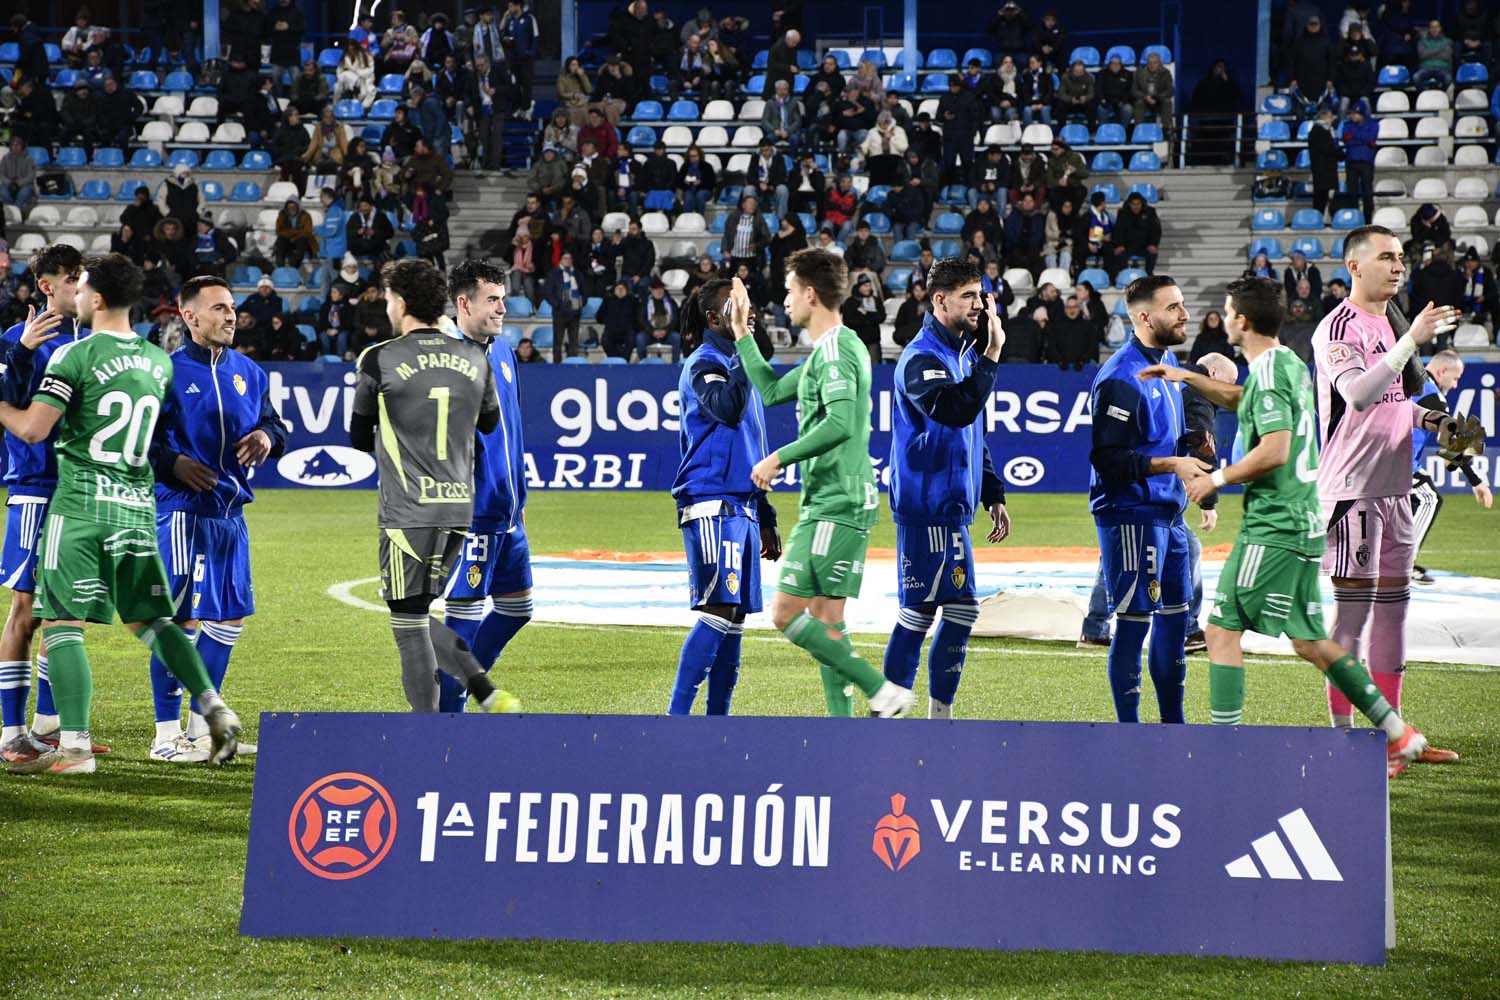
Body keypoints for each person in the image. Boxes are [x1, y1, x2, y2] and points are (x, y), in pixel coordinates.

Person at [1136, 277, 1432, 776]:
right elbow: (1242, 398)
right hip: (1303, 520)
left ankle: (1222, 755)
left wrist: (1218, 479)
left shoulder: (1271, 371)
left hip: (1274, 525)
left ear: (1241, 320)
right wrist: (1186, 377)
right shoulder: (1287, 363)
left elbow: (1274, 450)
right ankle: (1398, 733)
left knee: (1221, 630)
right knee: (1309, 641)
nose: (1224, 318)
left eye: (1228, 310)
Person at [0, 254, 241, 774]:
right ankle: (213, 706)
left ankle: (77, 748)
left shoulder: (76, 356)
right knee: (153, 620)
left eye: (83, 289)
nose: (78, 297)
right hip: (136, 508)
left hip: (80, 506)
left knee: (62, 624)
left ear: (98, 297)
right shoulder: (159, 362)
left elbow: (33, 430)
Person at [727, 250, 914, 717]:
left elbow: (842, 423)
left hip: (835, 501)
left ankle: (883, 691)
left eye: (790, 291)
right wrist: (742, 332)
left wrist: (778, 457)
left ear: (810, 294)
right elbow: (769, 390)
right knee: (828, 620)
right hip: (837, 500)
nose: (785, 301)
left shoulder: (835, 349)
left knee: (785, 613)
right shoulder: (830, 351)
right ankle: (843, 727)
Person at [1310, 225, 1467, 763]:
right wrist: (1411, 342)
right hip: (1352, 492)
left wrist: (1437, 422)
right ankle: (1345, 738)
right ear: (1354, 267)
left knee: (1395, 612)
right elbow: (1358, 395)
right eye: (1386, 257)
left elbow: (1395, 403)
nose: (1398, 266)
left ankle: (1392, 738)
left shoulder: (1389, 323)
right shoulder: (1338, 328)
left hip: (1396, 490)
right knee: (1351, 618)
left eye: (1401, 257)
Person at [348, 259, 515, 714]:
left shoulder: (379, 357)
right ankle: (483, 690)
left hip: (409, 510)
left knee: (407, 624)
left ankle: (427, 733)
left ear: (399, 303)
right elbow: (489, 422)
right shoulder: (474, 358)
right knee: (418, 612)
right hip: (459, 509)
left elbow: (358, 438)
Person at [142, 276, 285, 762]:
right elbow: (140, 439)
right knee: (177, 620)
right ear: (189, 317)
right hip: (182, 512)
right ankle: (165, 737)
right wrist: (172, 463)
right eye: (220, 308)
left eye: (232, 308)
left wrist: (267, 436)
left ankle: (203, 731)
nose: (231, 316)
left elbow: (273, 422)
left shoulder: (249, 370)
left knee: (228, 618)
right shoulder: (163, 370)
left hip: (229, 514)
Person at [883, 258, 1009, 719]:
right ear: (940, 301)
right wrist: (993, 354)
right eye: (968, 296)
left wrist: (991, 492)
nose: (979, 304)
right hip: (928, 503)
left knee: (949, 612)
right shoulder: (921, 359)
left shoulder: (962, 355)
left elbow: (974, 429)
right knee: (925, 614)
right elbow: (955, 410)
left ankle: (921, 717)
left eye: (980, 295)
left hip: (951, 504)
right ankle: (903, 717)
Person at [1087, 275, 1201, 724]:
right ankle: (1129, 734)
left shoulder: (1166, 363)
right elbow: (1108, 458)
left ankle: (1173, 727)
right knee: (1134, 626)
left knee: (1175, 623)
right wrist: (1172, 465)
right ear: (1143, 316)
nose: (1184, 313)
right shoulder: (1120, 376)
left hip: (1168, 515)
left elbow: (1155, 441)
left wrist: (1190, 445)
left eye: (1182, 304)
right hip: (1131, 514)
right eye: (1173, 306)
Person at [667, 278, 780, 714]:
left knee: (734, 619)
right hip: (712, 502)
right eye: (739, 305)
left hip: (745, 506)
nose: (749, 312)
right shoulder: (705, 363)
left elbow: (752, 442)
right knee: (718, 608)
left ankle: (719, 724)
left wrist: (765, 512)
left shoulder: (738, 360)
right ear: (715, 317)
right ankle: (676, 719)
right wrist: (744, 350)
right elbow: (728, 408)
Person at [0, 246, 91, 765]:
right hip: (36, 487)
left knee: (68, 610)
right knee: (25, 608)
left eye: (84, 277)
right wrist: (23, 354)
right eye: (70, 278)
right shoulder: (17, 339)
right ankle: (11, 731)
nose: (79, 286)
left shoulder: (93, 338)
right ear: (46, 286)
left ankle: (49, 726)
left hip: (82, 490)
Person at [435, 260, 533, 711]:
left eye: (501, 298)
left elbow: (511, 429)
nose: (501, 308)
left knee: (518, 608)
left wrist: (518, 496)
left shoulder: (504, 352)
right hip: (470, 515)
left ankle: (461, 687)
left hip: (508, 514)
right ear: (463, 303)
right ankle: (443, 719)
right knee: (464, 621)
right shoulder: (444, 361)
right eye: (491, 299)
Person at [1408, 350, 1492, 585]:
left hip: (1381, 460)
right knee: (1428, 499)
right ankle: (1404, 565)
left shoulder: (1412, 382)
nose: (1455, 385)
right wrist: (1476, 481)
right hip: (1398, 464)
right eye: (1455, 378)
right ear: (1442, 371)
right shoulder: (1432, 395)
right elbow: (1452, 447)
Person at [543, 250, 585, 361]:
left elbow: (584, 291)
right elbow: (548, 292)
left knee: (573, 343)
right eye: (565, 258)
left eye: (569, 258)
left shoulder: (578, 274)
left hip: (575, 312)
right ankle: (557, 366)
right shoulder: (553, 273)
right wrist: (558, 305)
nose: (568, 260)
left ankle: (572, 365)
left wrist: (580, 305)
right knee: (558, 342)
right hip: (559, 312)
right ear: (561, 260)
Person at [1340, 102, 1377, 225]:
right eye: (1351, 113)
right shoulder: (1347, 125)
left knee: (1367, 192)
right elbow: (1346, 140)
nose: (1352, 116)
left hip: (1366, 162)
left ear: (1361, 114)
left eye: (1355, 114)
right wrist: (1364, 140)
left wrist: (1355, 136)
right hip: (1351, 161)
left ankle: (1368, 220)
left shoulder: (1373, 124)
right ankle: (1354, 219)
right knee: (1352, 192)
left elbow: (1371, 138)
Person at [840, 272, 885, 363]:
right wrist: (867, 319)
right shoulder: (850, 302)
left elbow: (881, 316)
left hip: (873, 341)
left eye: (869, 285)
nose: (868, 288)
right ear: (859, 287)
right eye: (865, 286)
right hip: (856, 341)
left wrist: (866, 315)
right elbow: (849, 321)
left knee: (874, 367)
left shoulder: (875, 300)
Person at [637, 279, 681, 362]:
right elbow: (641, 319)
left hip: (667, 333)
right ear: (652, 291)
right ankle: (643, 363)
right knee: (640, 338)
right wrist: (652, 331)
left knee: (676, 337)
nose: (658, 291)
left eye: (661, 289)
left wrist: (666, 331)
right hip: (650, 333)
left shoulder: (671, 302)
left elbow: (675, 320)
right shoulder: (645, 303)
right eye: (656, 289)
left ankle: (675, 365)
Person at [0, 136, 39, 216]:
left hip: (25, 185)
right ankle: (14, 212)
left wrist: (18, 183)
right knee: (3, 192)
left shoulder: (28, 159)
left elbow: (31, 175)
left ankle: (15, 214)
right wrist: (9, 183)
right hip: (9, 184)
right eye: (13, 145)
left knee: (23, 193)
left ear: (22, 146)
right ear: (10, 146)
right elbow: (1, 174)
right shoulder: (5, 158)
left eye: (17, 145)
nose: (15, 147)